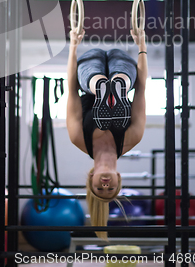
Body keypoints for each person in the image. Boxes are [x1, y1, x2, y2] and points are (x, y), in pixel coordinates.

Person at [66, 28, 147, 239]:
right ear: (119, 179)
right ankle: (119, 86)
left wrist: (73, 44)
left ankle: (100, 87)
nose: (105, 186)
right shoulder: (131, 138)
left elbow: (71, 89)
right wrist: (142, 46)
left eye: (99, 189)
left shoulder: (78, 139)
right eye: (110, 189)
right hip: (125, 70)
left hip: (89, 74)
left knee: (87, 78)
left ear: (91, 178)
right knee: (127, 77)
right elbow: (142, 90)